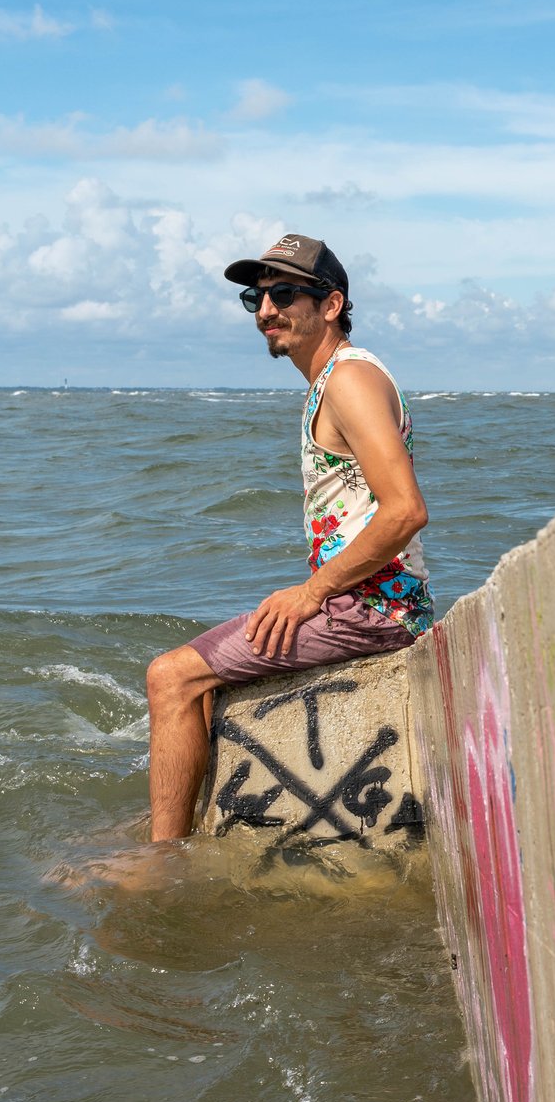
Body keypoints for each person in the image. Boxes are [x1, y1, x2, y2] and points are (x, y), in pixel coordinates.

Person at [140, 233, 434, 841]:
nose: (267, 310)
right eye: (257, 297)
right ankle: (182, 826)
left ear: (331, 305)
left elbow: (404, 510)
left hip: (373, 609)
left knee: (171, 677)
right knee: (201, 684)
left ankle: (157, 863)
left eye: (284, 294)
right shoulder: (334, 379)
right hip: (368, 600)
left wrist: (312, 592)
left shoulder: (349, 381)